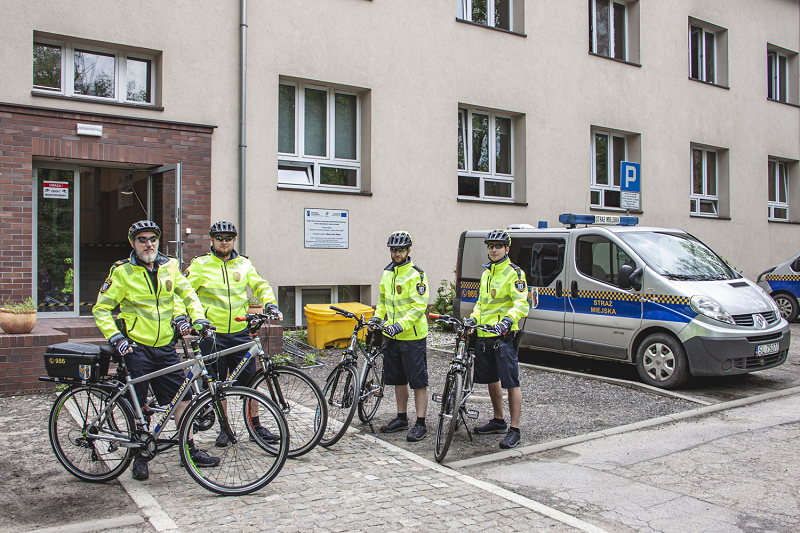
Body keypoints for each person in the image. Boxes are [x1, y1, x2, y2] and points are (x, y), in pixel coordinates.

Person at [93, 220, 219, 481]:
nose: (149, 243)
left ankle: (189, 449)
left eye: (153, 238)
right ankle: (140, 456)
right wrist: (116, 337)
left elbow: (188, 296)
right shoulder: (122, 272)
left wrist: (198, 319)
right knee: (139, 406)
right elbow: (102, 309)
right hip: (136, 348)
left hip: (165, 347)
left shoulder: (170, 266)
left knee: (181, 401)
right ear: (133, 244)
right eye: (142, 239)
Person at [184, 221, 283, 447]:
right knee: (218, 384)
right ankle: (224, 429)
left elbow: (260, 285)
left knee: (251, 382)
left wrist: (270, 304)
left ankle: (255, 427)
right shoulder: (200, 265)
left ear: (234, 239)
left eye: (228, 237)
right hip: (213, 334)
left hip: (239, 333)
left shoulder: (244, 263)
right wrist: (190, 319)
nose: (224, 241)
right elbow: (186, 293)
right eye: (219, 237)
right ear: (212, 240)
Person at [468, 229, 529, 449]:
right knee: (492, 379)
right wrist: (473, 320)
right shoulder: (487, 273)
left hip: (504, 336)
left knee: (511, 381)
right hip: (484, 335)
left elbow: (521, 303)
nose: (494, 250)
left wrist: (507, 321)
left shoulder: (514, 273)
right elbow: (481, 304)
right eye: (491, 246)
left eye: (498, 246)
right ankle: (498, 420)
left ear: (507, 249)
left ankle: (514, 429)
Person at [370, 231, 430, 442]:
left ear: (408, 250)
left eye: (400, 250)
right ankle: (401, 417)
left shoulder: (417, 274)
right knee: (398, 379)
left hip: (412, 337)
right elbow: (383, 301)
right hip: (392, 336)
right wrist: (377, 320)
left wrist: (399, 325)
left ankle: (421, 423)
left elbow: (418, 307)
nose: (396, 253)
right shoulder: (387, 273)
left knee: (418, 381)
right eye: (393, 250)